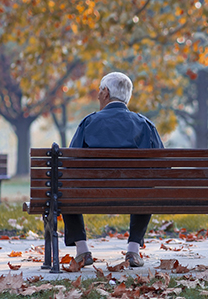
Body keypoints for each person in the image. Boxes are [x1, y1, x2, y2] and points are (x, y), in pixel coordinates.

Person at [62, 72, 164, 268]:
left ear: (106, 93)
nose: (98, 96)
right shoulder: (144, 124)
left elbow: (70, 165)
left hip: (91, 195)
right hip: (136, 195)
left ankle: (82, 250)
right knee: (146, 188)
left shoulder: (89, 122)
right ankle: (133, 251)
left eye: (100, 91)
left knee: (64, 188)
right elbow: (163, 168)